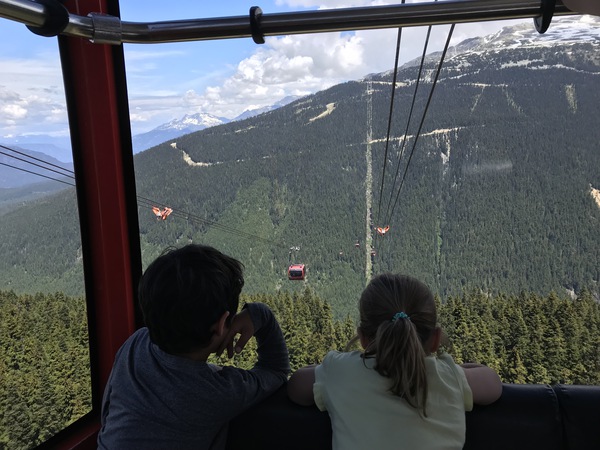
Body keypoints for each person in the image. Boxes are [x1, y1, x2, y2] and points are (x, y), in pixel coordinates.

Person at [97, 244, 290, 449]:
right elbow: (276, 370)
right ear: (220, 325)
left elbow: (107, 412)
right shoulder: (216, 393)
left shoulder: (134, 345)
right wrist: (260, 315)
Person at [287, 273, 502, 450]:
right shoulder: (448, 377)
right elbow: (493, 383)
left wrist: (327, 368)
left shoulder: (339, 372)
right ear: (435, 340)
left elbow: (296, 386)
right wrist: (454, 369)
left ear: (362, 338)